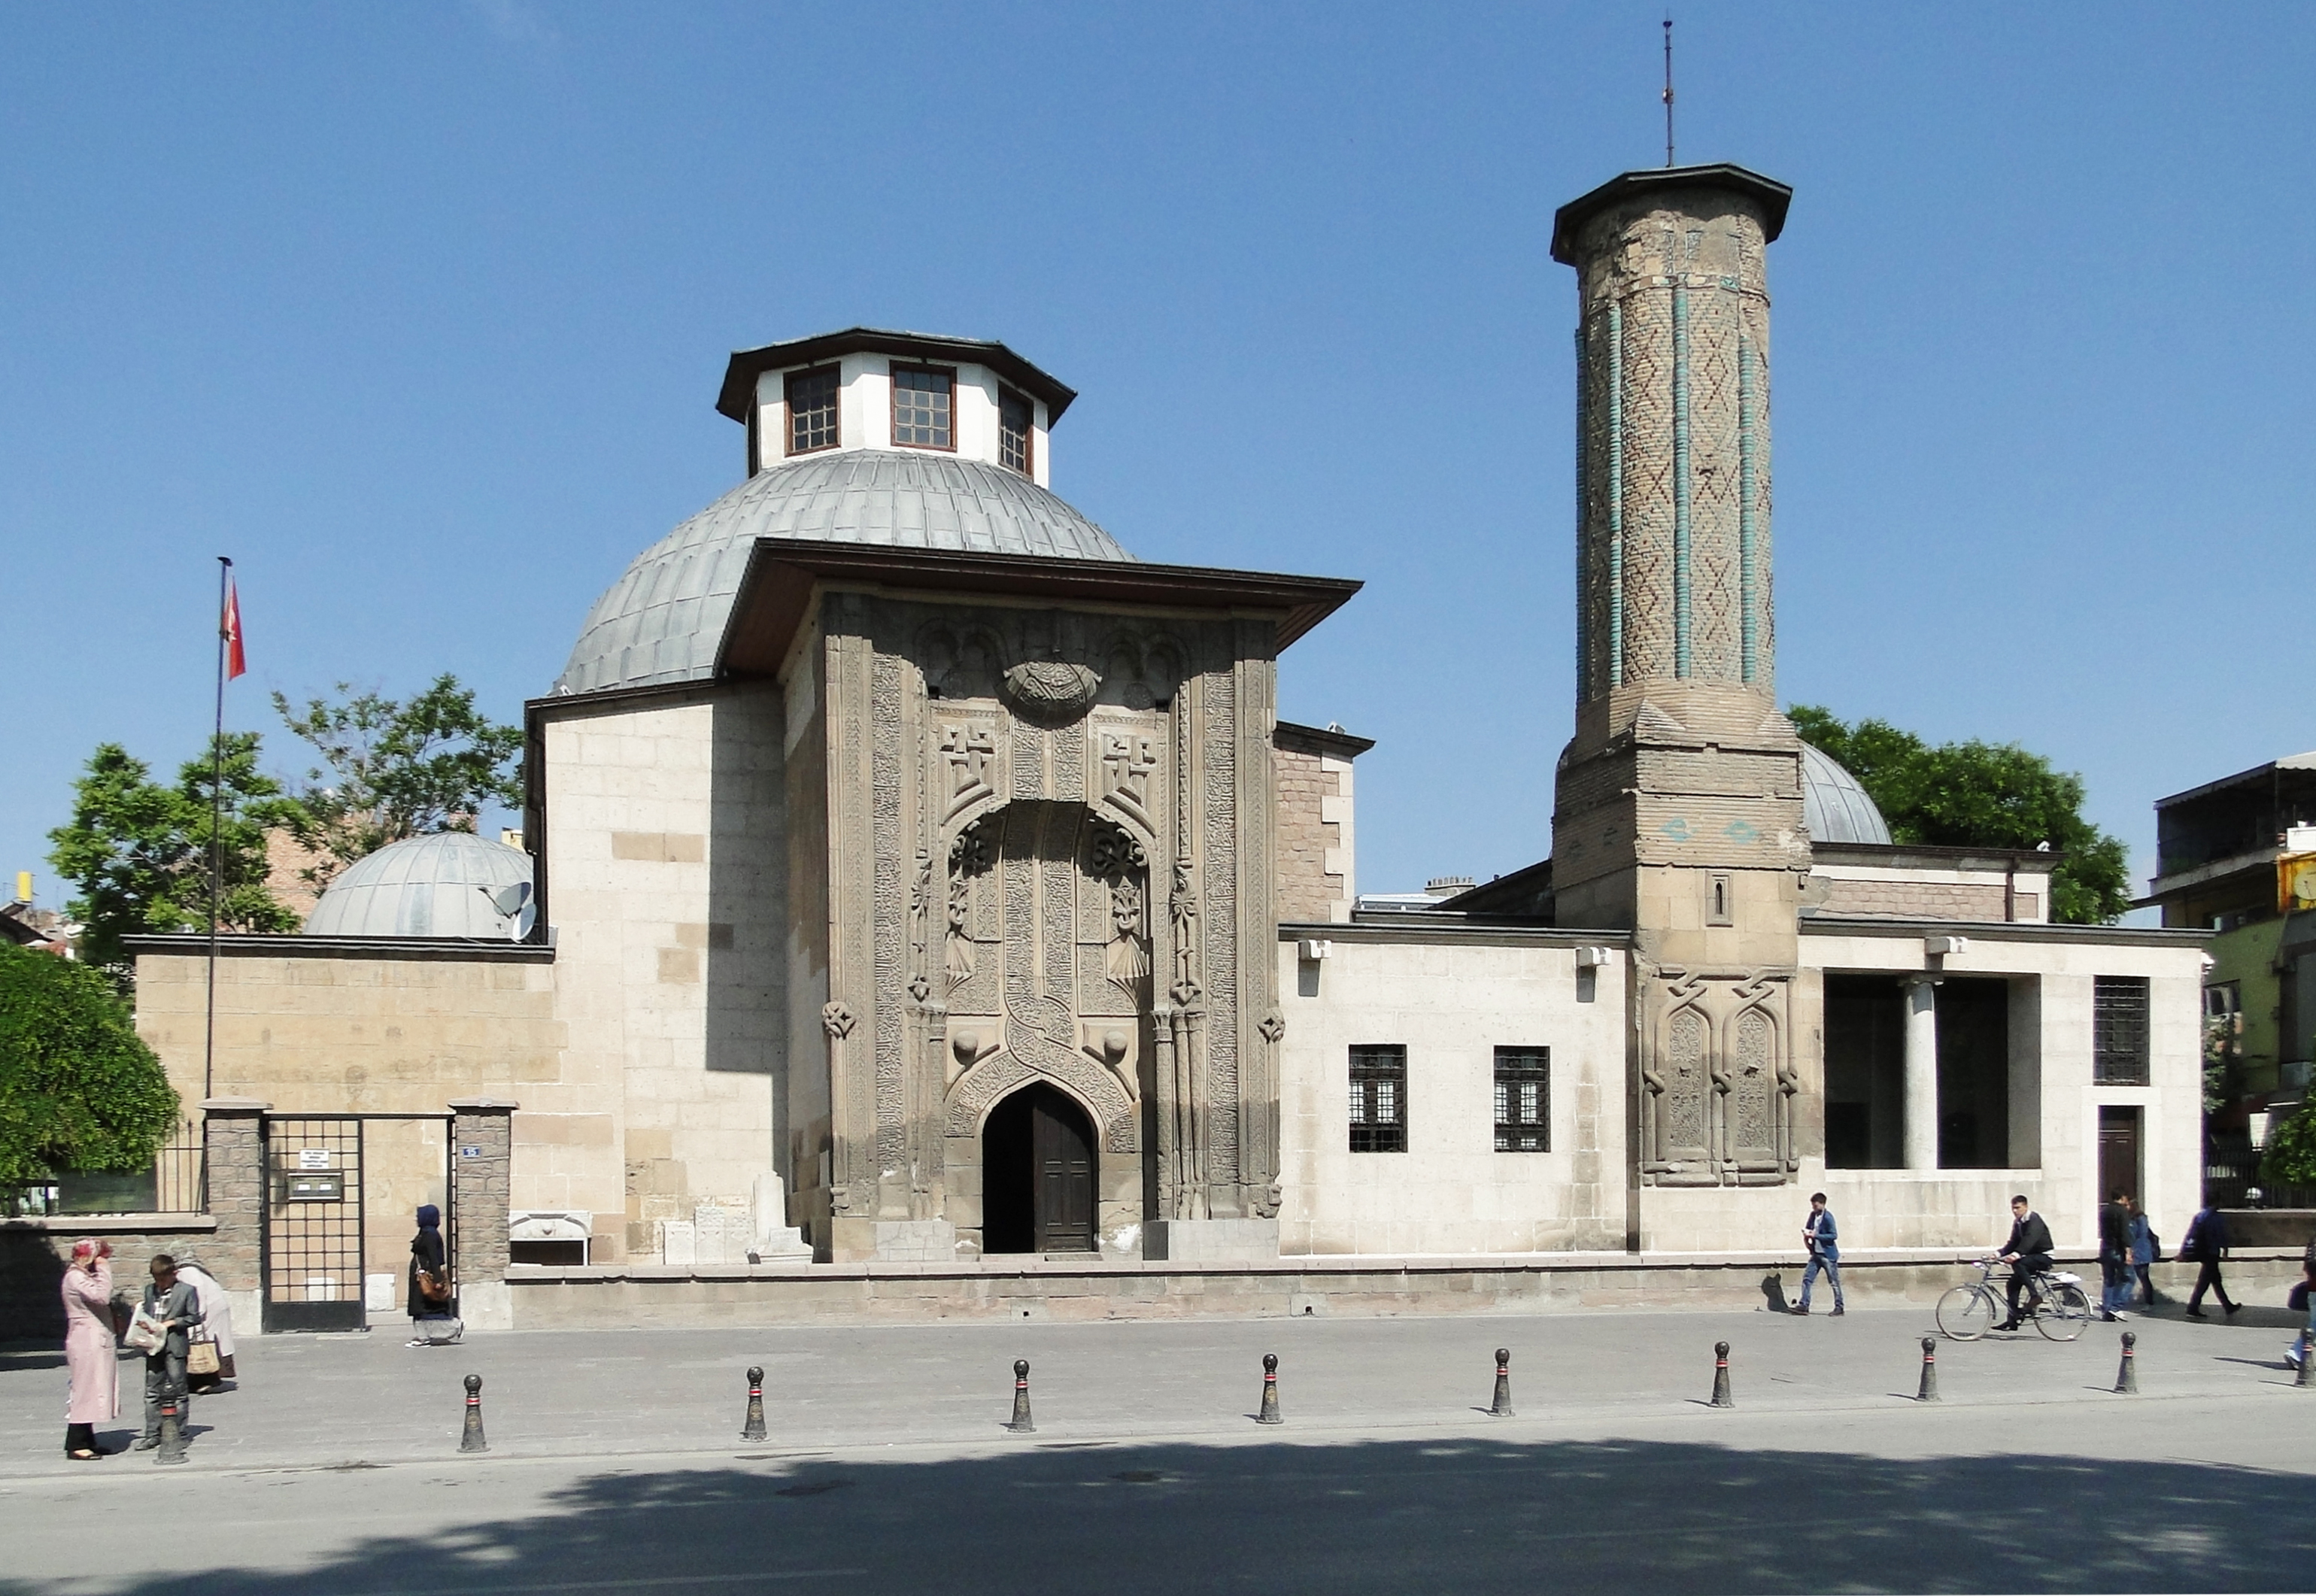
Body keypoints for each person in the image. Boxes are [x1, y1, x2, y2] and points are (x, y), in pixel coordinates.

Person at [135, 1253, 202, 1451]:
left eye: (163, 1279)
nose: (160, 1284)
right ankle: (152, 1434)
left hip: (174, 1344)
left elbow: (194, 1317)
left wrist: (173, 1323)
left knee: (178, 1389)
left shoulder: (186, 1291)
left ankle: (179, 1432)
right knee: (151, 1391)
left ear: (174, 1274)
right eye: (157, 1280)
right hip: (154, 1346)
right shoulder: (150, 1291)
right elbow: (147, 1313)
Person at [60, 1238, 118, 1460]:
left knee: (93, 1389)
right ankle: (75, 1443)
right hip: (86, 1340)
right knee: (85, 1390)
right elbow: (101, 1296)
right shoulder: (75, 1277)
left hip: (94, 1338)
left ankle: (87, 1439)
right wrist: (104, 1269)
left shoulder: (82, 1276)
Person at [175, 1258, 237, 1393]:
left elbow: (198, 1292)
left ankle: (204, 1380)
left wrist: (197, 1313)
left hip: (211, 1309)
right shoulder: (192, 1269)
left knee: (203, 1344)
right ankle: (206, 1379)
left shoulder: (187, 1271)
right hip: (215, 1307)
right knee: (212, 1343)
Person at [1995, 1194, 2054, 1331]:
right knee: (2012, 1284)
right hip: (2031, 1257)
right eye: (2013, 1208)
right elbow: (2013, 1242)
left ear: (2026, 1207)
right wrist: (1998, 1254)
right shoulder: (2018, 1223)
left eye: (2018, 1208)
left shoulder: (2034, 1220)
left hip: (2044, 1256)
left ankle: (2035, 1296)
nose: (2015, 1211)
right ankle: (2013, 1319)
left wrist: (2016, 1255)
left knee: (2018, 1263)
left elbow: (2030, 1239)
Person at [2180, 1201, 2241, 1318]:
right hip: (2212, 1252)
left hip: (2203, 1251)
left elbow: (2191, 1234)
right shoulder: (2217, 1218)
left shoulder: (2200, 1216)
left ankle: (2227, 1306)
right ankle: (2193, 1307)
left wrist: (2184, 1251)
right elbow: (2221, 1235)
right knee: (2204, 1282)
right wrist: (2226, 1250)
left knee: (2215, 1280)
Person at [1792, 1191, 1844, 1315]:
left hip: (1828, 1255)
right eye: (1813, 1206)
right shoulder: (1813, 1216)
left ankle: (1839, 1307)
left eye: (1816, 1206)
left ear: (1822, 1204)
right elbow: (1809, 1229)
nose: (1814, 1208)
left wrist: (1817, 1235)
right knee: (1807, 1279)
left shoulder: (1828, 1217)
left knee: (1834, 1282)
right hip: (1816, 1254)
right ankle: (1804, 1304)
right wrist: (1807, 1237)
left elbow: (1833, 1235)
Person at [407, 1203, 448, 1347]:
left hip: (426, 1276)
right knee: (425, 1306)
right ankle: (424, 1335)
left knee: (424, 1306)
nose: (417, 1219)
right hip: (422, 1275)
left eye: (419, 1216)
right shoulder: (425, 1232)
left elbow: (433, 1256)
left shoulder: (430, 1234)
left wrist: (437, 1279)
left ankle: (424, 1337)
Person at [2097, 1189, 2134, 1321]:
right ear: (2122, 1197)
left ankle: (2107, 1311)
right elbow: (2124, 1232)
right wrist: (2128, 1251)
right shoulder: (2121, 1211)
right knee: (2129, 1278)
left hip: (2105, 1247)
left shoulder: (2104, 1210)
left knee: (2109, 1280)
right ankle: (2116, 1307)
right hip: (2118, 1249)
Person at [2129, 1198, 2163, 1307]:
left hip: (2141, 1253)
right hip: (2136, 1252)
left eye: (2128, 1205)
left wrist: (2133, 1248)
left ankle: (2149, 1301)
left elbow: (2141, 1235)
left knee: (2143, 1277)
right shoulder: (2132, 1219)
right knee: (2132, 1277)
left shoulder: (2141, 1218)